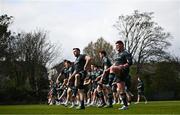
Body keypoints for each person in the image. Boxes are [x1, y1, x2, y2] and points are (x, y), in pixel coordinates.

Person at [100, 40, 132, 110]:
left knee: (113, 68)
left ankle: (109, 83)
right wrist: (106, 70)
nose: (117, 47)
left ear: (122, 45)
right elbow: (114, 64)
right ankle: (125, 105)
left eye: (118, 45)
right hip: (117, 72)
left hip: (123, 70)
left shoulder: (126, 53)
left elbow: (130, 63)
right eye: (116, 45)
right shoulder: (117, 55)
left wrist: (122, 66)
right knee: (121, 89)